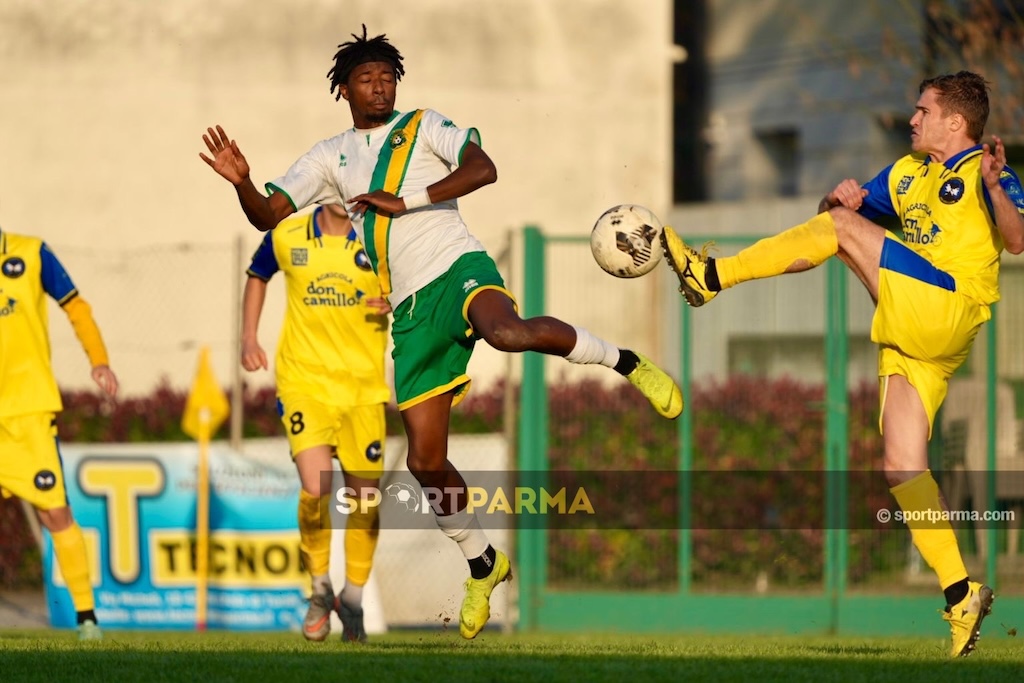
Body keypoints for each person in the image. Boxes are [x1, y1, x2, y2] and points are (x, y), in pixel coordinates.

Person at [201, 25, 683, 640]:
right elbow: (269, 214)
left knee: (505, 333)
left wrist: (410, 199)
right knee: (428, 463)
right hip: (408, 309)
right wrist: (242, 180)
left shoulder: (426, 125)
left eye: (387, 76)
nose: (379, 86)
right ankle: (484, 566)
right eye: (366, 78)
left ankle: (626, 362)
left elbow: (484, 169)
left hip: (458, 266)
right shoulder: (329, 157)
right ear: (343, 90)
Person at [661, 70, 1024, 658]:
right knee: (903, 465)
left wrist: (998, 187)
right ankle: (962, 593)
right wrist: (839, 200)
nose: (912, 119)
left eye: (923, 111)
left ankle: (711, 275)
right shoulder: (906, 174)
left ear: (956, 123)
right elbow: (828, 224)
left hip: (951, 305)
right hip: (914, 333)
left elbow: (1016, 240)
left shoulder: (986, 170)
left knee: (841, 232)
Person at [242, 202, 390, 643]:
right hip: (304, 382)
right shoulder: (287, 235)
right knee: (315, 487)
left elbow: (413, 290)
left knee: (365, 502)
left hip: (364, 390)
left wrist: (395, 302)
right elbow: (257, 275)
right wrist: (248, 337)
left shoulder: (380, 238)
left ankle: (355, 599)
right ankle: (320, 587)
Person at [0, 226, 119, 641]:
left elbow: (76, 306)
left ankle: (87, 619)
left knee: (56, 514)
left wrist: (99, 360)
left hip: (27, 412)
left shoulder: (30, 253)